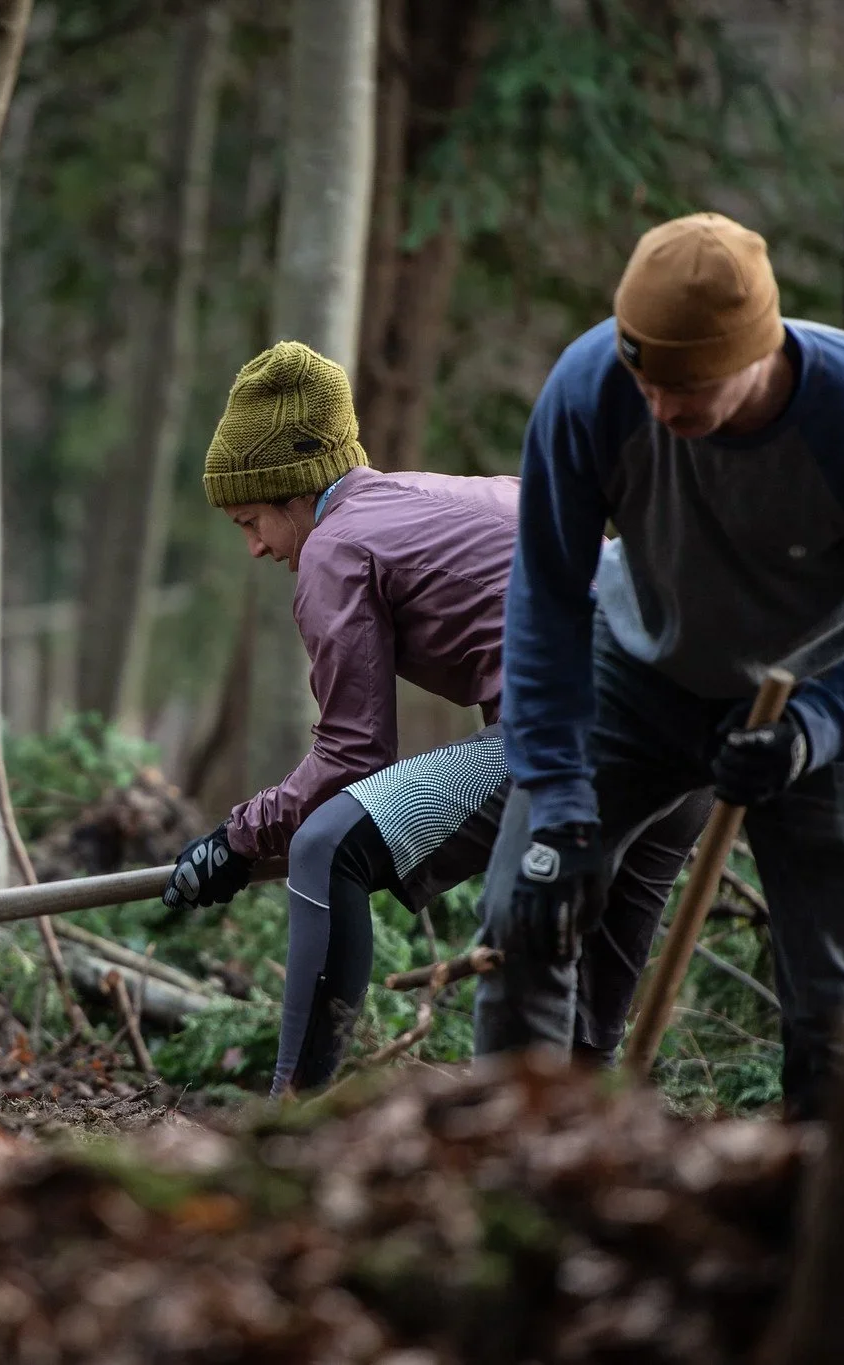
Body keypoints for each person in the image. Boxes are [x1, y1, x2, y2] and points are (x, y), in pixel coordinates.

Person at [474, 212, 844, 1119]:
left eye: (688, 386)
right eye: (643, 378)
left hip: (816, 697)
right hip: (634, 673)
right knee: (525, 916)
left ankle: (810, 1222)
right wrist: (561, 804)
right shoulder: (592, 389)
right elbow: (545, 595)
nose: (660, 407)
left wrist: (820, 725)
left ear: (757, 353)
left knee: (840, 1012)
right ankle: (516, 1182)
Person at [158, 341, 710, 1097]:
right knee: (586, 1052)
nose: (255, 547)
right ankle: (579, 1163)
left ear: (294, 493)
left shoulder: (336, 547)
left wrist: (240, 836)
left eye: (250, 520)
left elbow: (355, 750)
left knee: (326, 847)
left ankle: (290, 1117)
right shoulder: (461, 497)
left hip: (580, 732)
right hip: (689, 735)